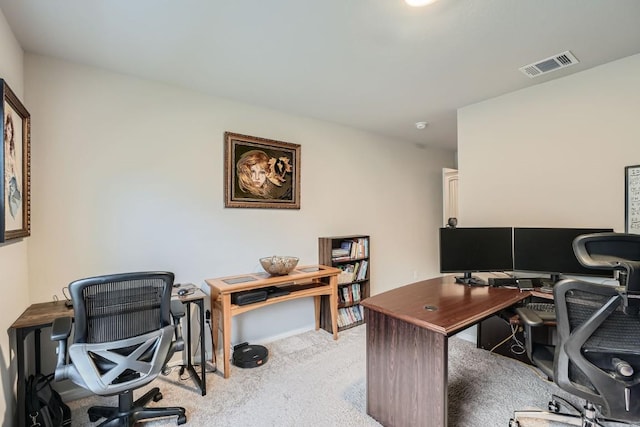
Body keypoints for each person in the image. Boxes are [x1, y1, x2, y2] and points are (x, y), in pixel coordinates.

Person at [4, 112, 21, 218]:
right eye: (6, 129)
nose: (8, 132)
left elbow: (16, 173)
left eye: (10, 129)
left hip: (10, 187)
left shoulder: (11, 153)